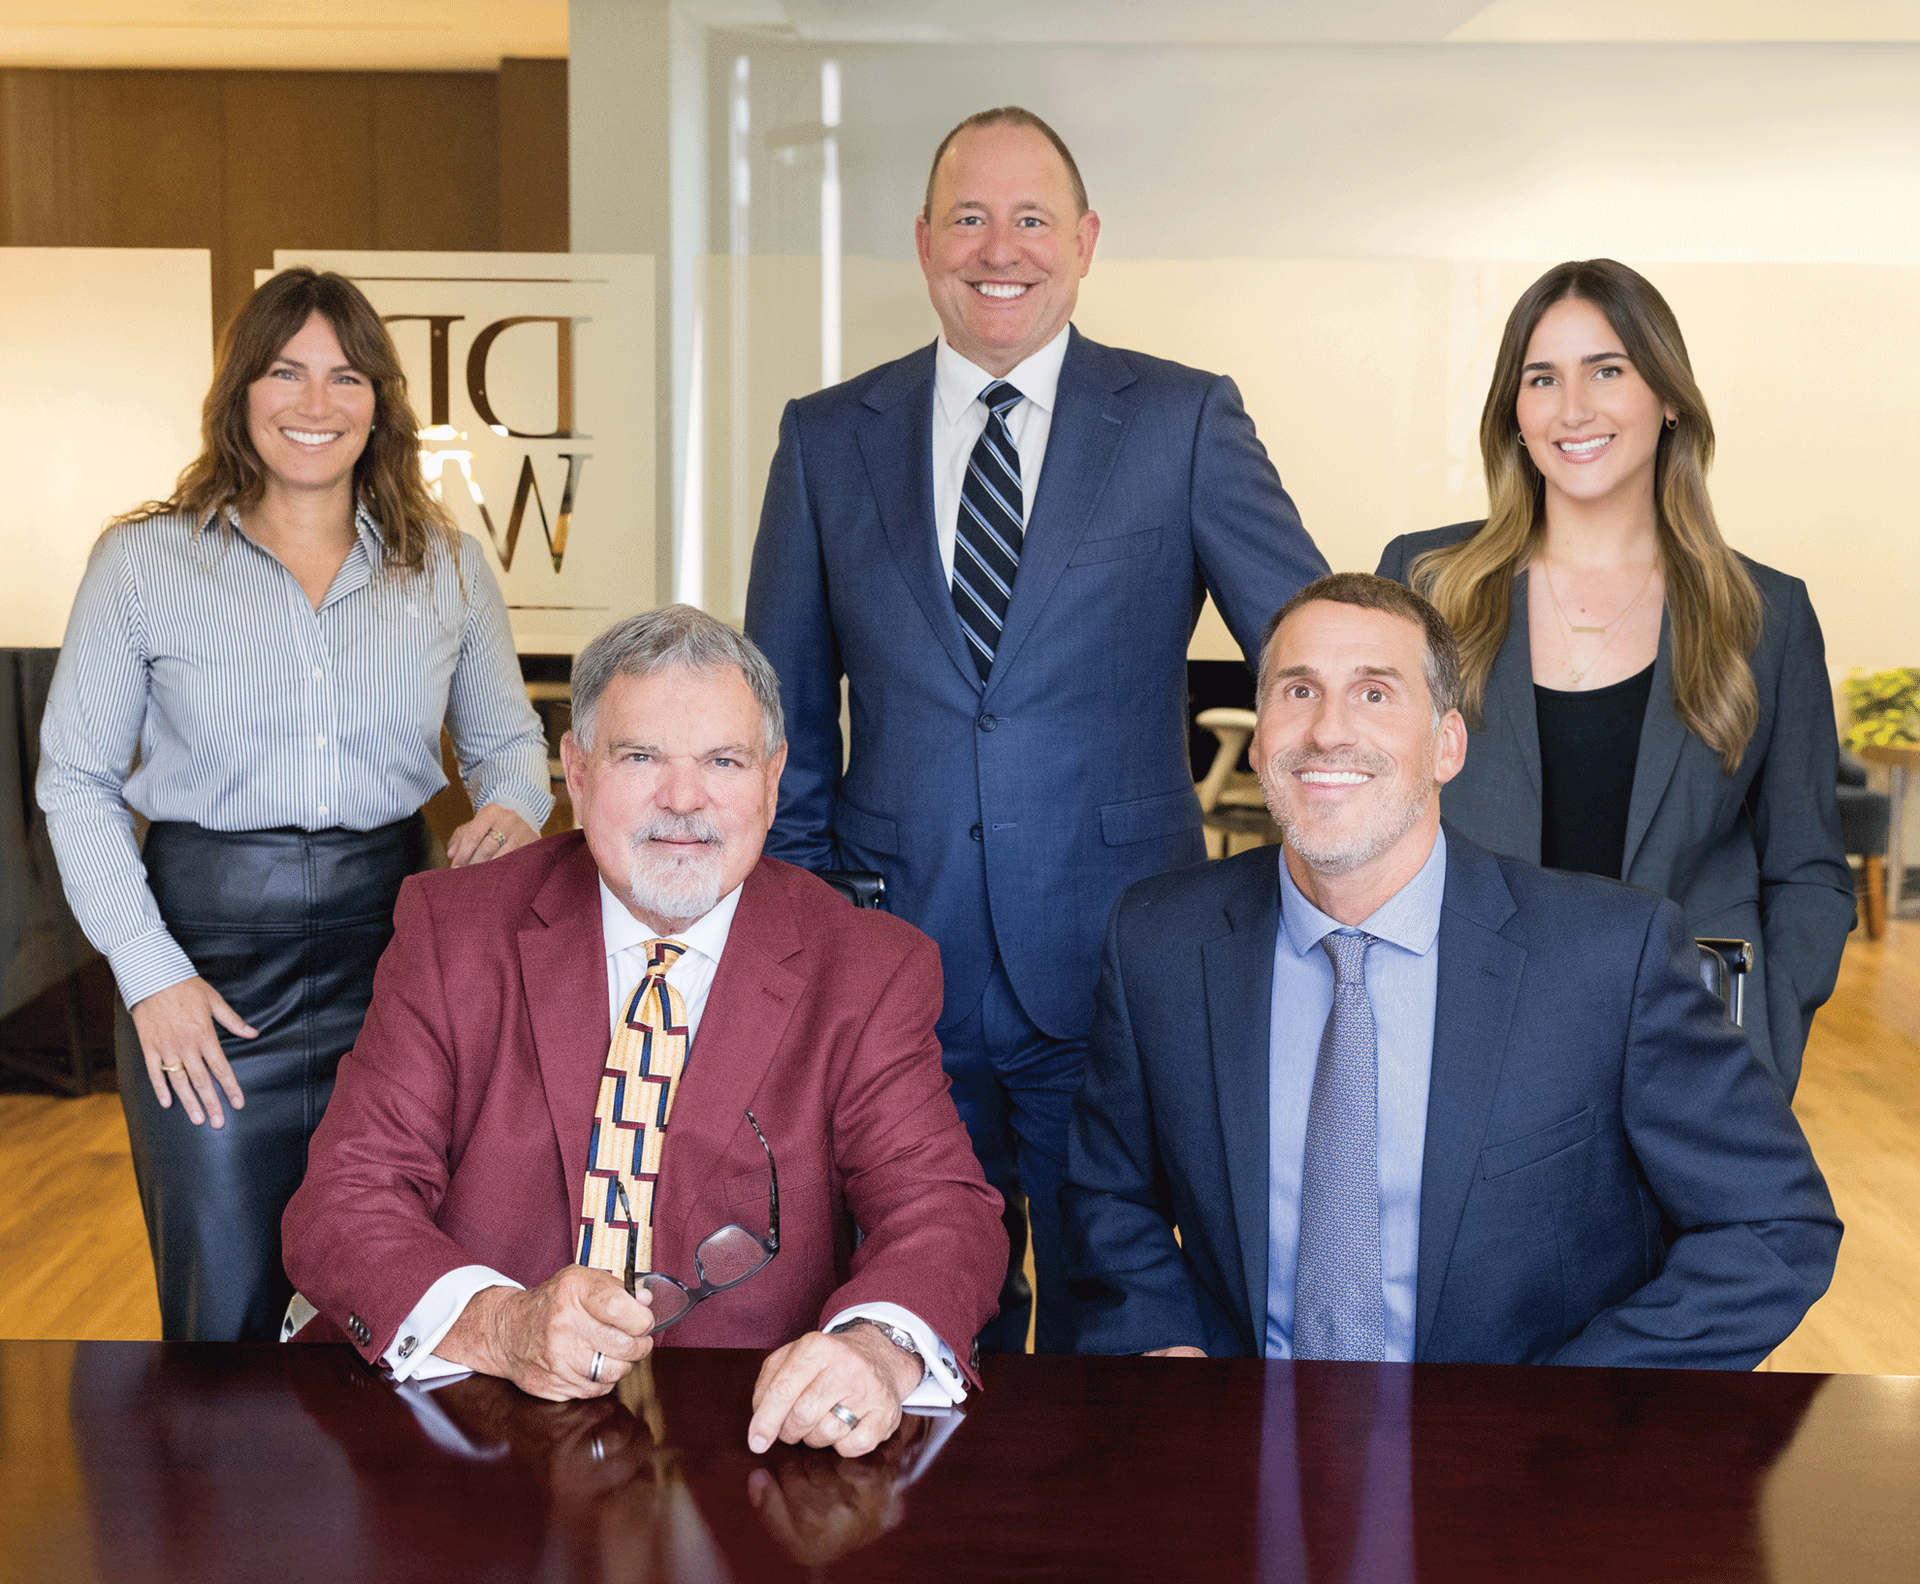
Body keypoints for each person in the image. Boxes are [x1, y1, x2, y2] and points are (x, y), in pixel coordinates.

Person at [744, 106, 1327, 1352]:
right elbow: (781, 718)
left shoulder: (1183, 419)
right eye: (968, 216)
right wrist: (807, 933)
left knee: (1113, 1303)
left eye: (1029, 219)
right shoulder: (825, 437)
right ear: (921, 242)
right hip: (890, 954)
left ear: (1086, 240)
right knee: (916, 1304)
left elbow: (1309, 650)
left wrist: (1321, 854)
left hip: (1121, 952)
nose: (998, 247)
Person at [282, 607, 1006, 1460]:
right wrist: (500, 1324)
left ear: (772, 781)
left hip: (747, 1443)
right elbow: (345, 1199)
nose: (684, 799)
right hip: (471, 1426)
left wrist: (875, 1354)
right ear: (577, 773)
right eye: (641, 758)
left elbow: (940, 1211)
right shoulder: (453, 928)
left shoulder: (868, 967)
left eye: (724, 762)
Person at [1062, 573, 1840, 1367]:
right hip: (1237, 1440)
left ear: (1448, 746)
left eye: (1374, 694)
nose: (1329, 731)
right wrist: (1163, 1338)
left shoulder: (1611, 957)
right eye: (1299, 690)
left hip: (1519, 1463)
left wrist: (1578, 1407)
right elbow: (1108, 1193)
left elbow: (1774, 1225)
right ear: (1260, 739)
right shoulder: (1157, 941)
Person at [37, 267, 551, 1342]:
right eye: (286, 373)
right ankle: (220, 1515)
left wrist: (511, 807)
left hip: (394, 957)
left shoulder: (447, 567)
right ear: (240, 392)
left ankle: (375, 1516)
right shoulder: (142, 562)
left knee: (395, 1290)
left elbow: (511, 744)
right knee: (222, 1316)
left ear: (381, 403)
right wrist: (150, 973)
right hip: (204, 971)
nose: (316, 405)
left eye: (346, 377)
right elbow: (73, 783)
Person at [1376, 259, 1852, 1097]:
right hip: (1464, 1041)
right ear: (1514, 416)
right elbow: (1368, 818)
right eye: (1542, 378)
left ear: (1668, 398)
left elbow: (1807, 868)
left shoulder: (1767, 614)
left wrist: (1758, 1034)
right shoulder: (1424, 583)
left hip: (1688, 1050)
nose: (1574, 409)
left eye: (1608, 370)